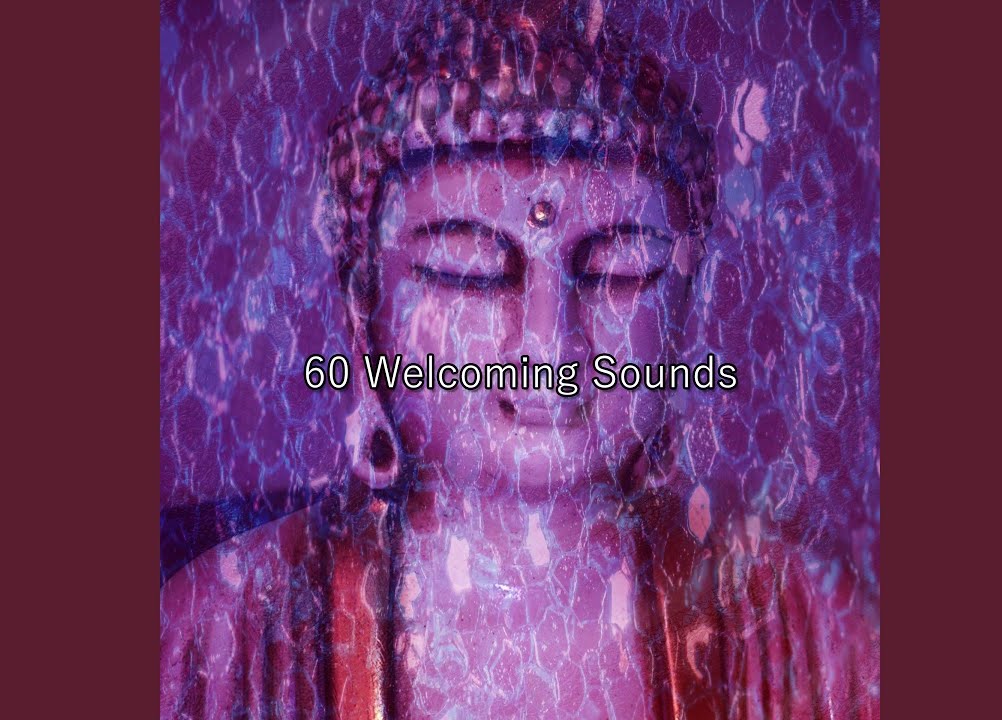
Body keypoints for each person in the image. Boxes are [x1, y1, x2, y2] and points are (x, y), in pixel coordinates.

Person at [161, 2, 878, 718]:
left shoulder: (798, 621)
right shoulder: (225, 635)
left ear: (685, 306)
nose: (548, 344)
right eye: (469, 269)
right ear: (364, 315)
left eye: (618, 269)